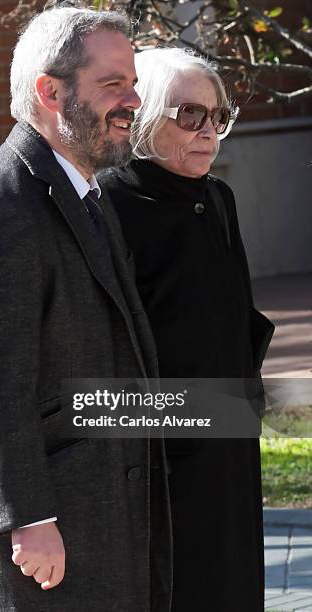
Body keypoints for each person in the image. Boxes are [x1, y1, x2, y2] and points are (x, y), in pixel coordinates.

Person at [0, 9, 172, 611]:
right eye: (112, 84)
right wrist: (29, 518)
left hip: (97, 523)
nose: (133, 99)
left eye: (132, 82)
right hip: (38, 552)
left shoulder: (88, 193)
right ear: (50, 93)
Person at [99, 47, 274, 611]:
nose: (209, 131)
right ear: (144, 115)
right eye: (190, 115)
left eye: (218, 116)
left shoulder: (218, 198)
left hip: (228, 440)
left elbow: (236, 315)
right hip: (158, 453)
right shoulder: (111, 203)